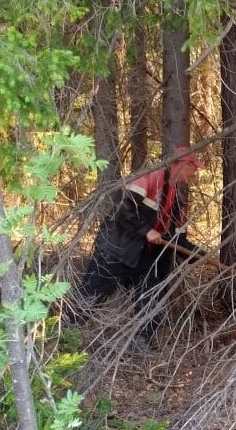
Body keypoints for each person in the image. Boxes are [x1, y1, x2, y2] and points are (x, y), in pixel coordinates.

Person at [69, 145, 206, 349]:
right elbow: (124, 209)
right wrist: (146, 230)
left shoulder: (176, 199)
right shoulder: (151, 176)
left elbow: (178, 240)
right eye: (193, 169)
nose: (193, 175)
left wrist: (200, 255)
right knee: (92, 294)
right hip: (117, 250)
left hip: (143, 257)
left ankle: (141, 342)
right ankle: (65, 336)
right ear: (183, 164)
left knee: (151, 297)